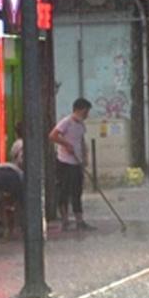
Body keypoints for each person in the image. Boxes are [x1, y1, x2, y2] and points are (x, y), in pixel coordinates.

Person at [48, 97, 94, 231]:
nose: (87, 115)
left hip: (77, 163)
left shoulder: (81, 125)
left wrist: (85, 157)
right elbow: (53, 136)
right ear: (79, 110)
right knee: (64, 191)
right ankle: (65, 220)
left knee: (77, 192)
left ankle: (80, 221)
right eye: (86, 112)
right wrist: (66, 144)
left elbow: (81, 141)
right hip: (65, 162)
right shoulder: (66, 122)